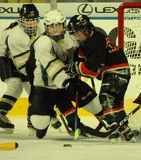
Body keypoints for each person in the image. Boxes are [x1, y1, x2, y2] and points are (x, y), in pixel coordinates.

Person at [26, 9, 105, 139]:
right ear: (46, 27)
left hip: (70, 81)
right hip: (46, 87)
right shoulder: (42, 43)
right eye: (52, 26)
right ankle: (44, 114)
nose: (56, 29)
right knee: (39, 124)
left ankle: (112, 123)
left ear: (64, 25)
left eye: (58, 25)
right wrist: (66, 81)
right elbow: (52, 65)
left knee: (96, 105)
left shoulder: (72, 36)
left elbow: (84, 50)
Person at [0, 4, 61, 134]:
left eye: (33, 20)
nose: (31, 23)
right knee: (17, 85)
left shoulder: (40, 28)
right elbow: (25, 67)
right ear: (21, 20)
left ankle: (32, 114)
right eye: (27, 21)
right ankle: (0, 115)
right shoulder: (16, 36)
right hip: (5, 57)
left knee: (30, 84)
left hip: (25, 58)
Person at [66, 14, 138, 143]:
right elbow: (81, 59)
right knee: (115, 102)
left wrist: (76, 68)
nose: (77, 36)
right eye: (74, 34)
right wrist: (75, 67)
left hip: (116, 70)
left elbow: (93, 70)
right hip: (119, 70)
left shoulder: (94, 42)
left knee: (106, 97)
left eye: (79, 33)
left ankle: (112, 126)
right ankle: (124, 129)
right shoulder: (89, 40)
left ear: (87, 30)